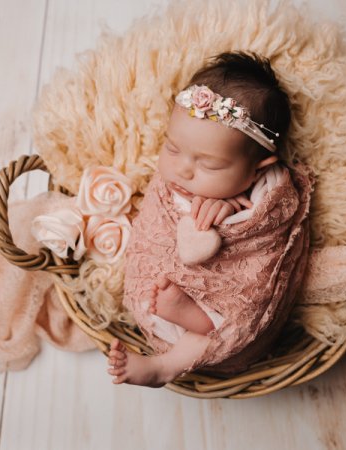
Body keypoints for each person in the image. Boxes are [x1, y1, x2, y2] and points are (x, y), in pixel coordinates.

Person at [106, 51, 312, 387]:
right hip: (162, 291)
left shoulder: (273, 193)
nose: (183, 169)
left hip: (223, 314)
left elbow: (269, 239)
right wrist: (201, 205)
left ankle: (166, 365)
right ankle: (178, 316)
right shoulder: (174, 181)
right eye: (172, 148)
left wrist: (235, 213)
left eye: (211, 165)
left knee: (241, 315)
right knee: (152, 284)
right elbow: (155, 224)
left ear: (258, 168)